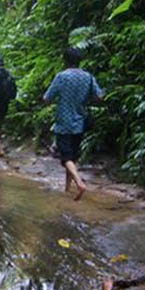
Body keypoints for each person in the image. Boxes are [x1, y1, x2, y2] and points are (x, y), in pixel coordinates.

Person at [43, 48, 103, 201]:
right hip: (80, 122)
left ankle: (79, 183)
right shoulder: (88, 77)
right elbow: (99, 96)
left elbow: (47, 98)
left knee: (65, 158)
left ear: (65, 60)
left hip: (63, 122)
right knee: (72, 157)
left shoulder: (61, 77)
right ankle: (67, 189)